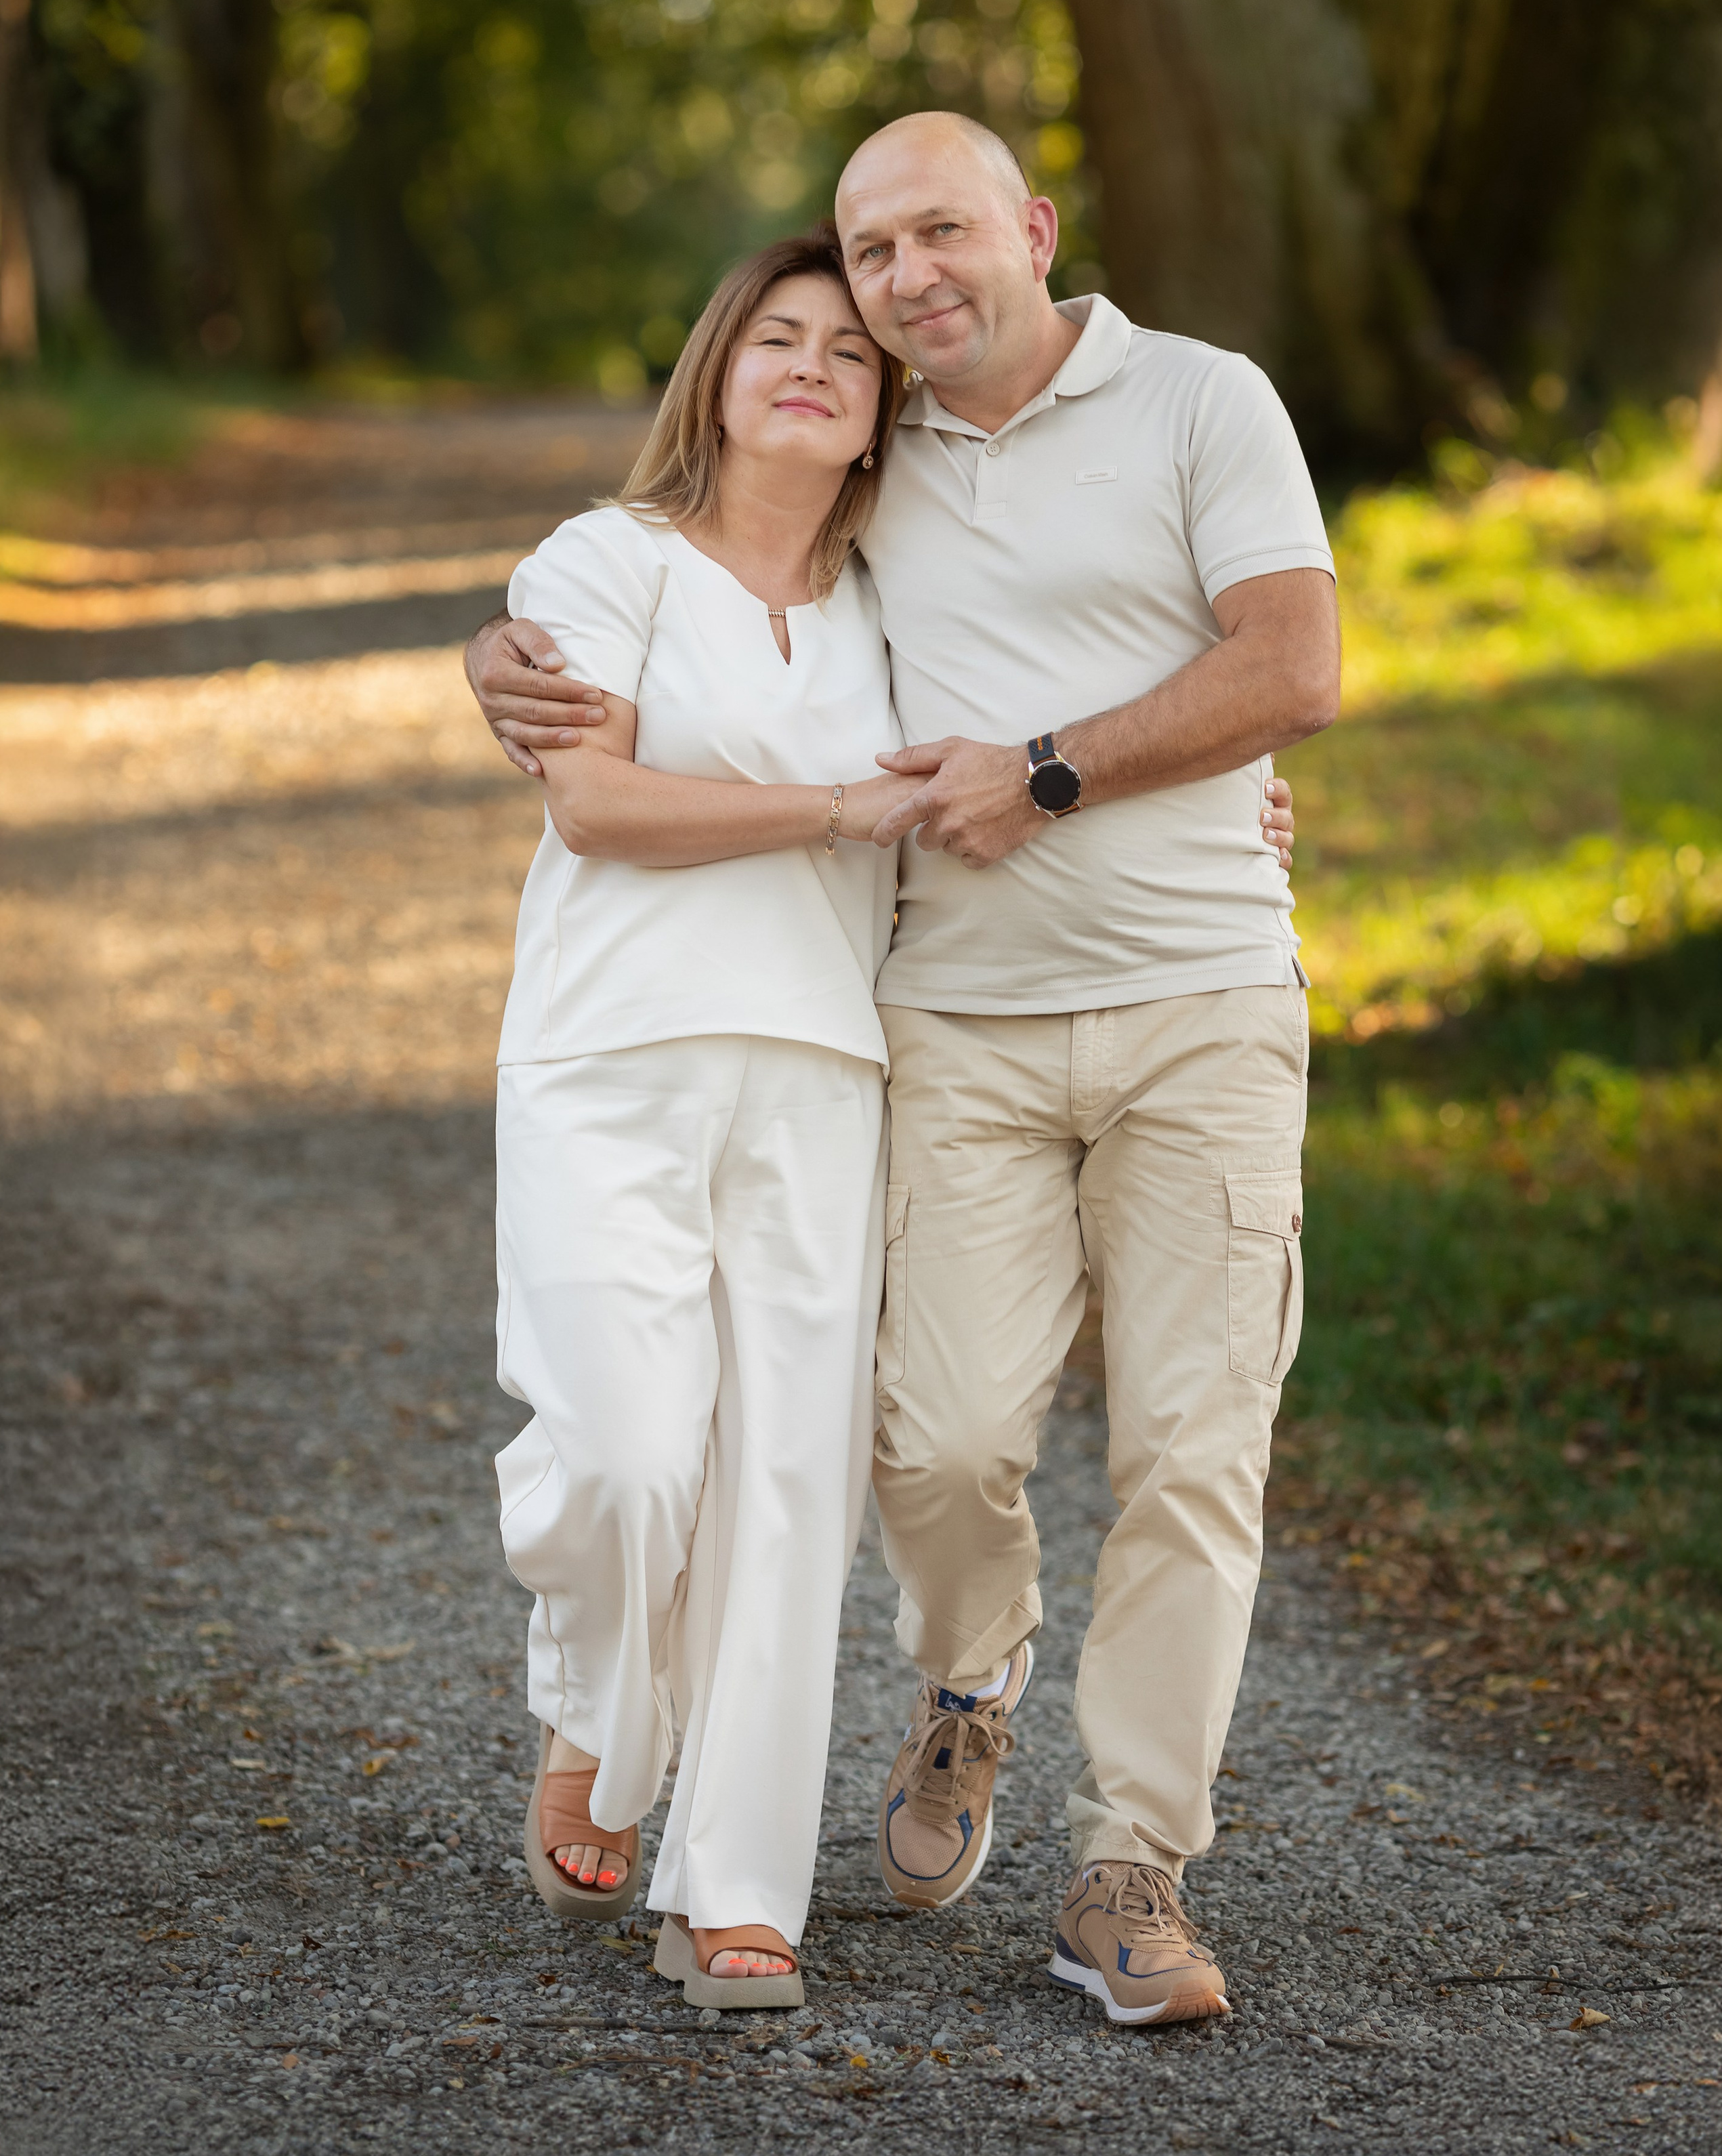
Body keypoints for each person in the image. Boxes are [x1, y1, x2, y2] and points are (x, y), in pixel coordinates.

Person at [467, 111, 1337, 2028]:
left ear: (1033, 227)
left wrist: (1087, 778)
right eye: (867, 259)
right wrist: (501, 662)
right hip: (933, 1024)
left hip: (1143, 1013)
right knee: (906, 1447)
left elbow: (1286, 669)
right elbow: (646, 652)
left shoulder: (1188, 407)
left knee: (1155, 1454)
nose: (898, 289)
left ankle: (1099, 1869)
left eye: (936, 236)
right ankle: (897, 1687)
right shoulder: (860, 470)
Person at [489, 224, 926, 2009]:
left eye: (853, 352)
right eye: (779, 338)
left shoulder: (905, 602)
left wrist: (1231, 808)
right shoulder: (607, 560)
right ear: (719, 374)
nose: (814, 367)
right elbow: (594, 803)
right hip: (611, 1054)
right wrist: (831, 809)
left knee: (787, 1491)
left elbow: (1039, 747)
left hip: (826, 1066)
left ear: (886, 410)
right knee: (625, 1454)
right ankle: (598, 1705)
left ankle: (739, 1888)